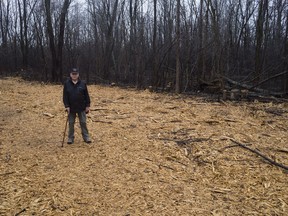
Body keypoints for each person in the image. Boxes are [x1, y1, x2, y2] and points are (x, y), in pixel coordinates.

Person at [63, 68, 92, 144]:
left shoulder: (83, 83)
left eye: (76, 74)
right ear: (70, 75)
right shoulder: (67, 84)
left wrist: (88, 105)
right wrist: (66, 106)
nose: (74, 75)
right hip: (71, 107)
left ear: (78, 75)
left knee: (83, 122)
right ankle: (70, 138)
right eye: (73, 74)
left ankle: (86, 137)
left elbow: (87, 95)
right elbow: (65, 96)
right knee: (71, 123)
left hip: (81, 107)